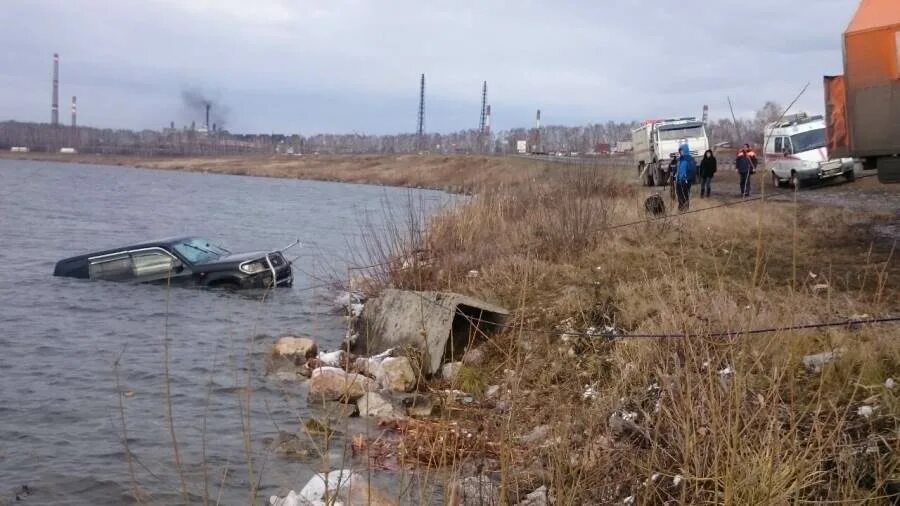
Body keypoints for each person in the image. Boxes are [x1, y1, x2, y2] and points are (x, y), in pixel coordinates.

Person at [675, 143, 697, 211]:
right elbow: (678, 170)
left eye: (682, 150)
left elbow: (693, 170)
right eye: (680, 151)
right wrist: (675, 176)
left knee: (685, 196)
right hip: (678, 181)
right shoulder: (679, 160)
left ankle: (685, 209)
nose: (681, 152)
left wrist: (687, 178)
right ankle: (680, 209)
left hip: (685, 181)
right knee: (679, 196)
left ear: (685, 150)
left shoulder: (690, 159)